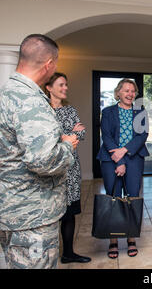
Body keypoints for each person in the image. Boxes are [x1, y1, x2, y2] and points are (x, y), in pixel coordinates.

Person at [0, 34, 78, 269]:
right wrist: (67, 144)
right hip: (33, 215)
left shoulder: (6, 93)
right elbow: (44, 160)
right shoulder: (31, 101)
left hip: (11, 208)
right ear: (49, 65)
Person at [96, 78, 149, 259]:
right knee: (114, 197)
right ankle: (113, 240)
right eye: (126, 90)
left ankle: (131, 237)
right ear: (118, 92)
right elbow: (107, 135)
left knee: (132, 198)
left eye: (133, 91)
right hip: (111, 159)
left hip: (134, 158)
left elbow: (143, 135)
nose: (130, 94)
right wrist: (119, 160)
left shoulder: (140, 111)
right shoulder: (108, 111)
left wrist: (125, 151)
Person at [44, 72, 91, 264]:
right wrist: (66, 137)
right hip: (49, 170)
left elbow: (81, 134)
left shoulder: (70, 110)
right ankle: (47, 257)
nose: (65, 88)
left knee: (69, 214)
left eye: (66, 85)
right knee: (49, 215)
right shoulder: (42, 112)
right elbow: (44, 141)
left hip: (71, 169)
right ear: (49, 87)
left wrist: (66, 137)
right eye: (61, 85)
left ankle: (68, 253)